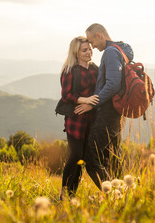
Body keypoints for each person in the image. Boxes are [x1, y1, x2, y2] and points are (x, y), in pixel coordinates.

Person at [75, 23, 134, 189]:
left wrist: (92, 103)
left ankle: (113, 195)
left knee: (91, 159)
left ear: (99, 35)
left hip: (108, 113)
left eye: (92, 42)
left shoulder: (110, 52)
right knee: (112, 158)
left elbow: (113, 84)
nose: (92, 46)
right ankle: (124, 198)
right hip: (117, 114)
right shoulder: (123, 49)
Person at [59, 36, 99, 198]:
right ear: (76, 53)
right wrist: (85, 100)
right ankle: (63, 195)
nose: (89, 52)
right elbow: (66, 95)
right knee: (75, 155)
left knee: (82, 159)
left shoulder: (95, 69)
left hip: (92, 120)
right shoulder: (69, 70)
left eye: (89, 48)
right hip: (76, 121)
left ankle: (71, 195)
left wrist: (92, 104)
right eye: (84, 50)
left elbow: (100, 91)